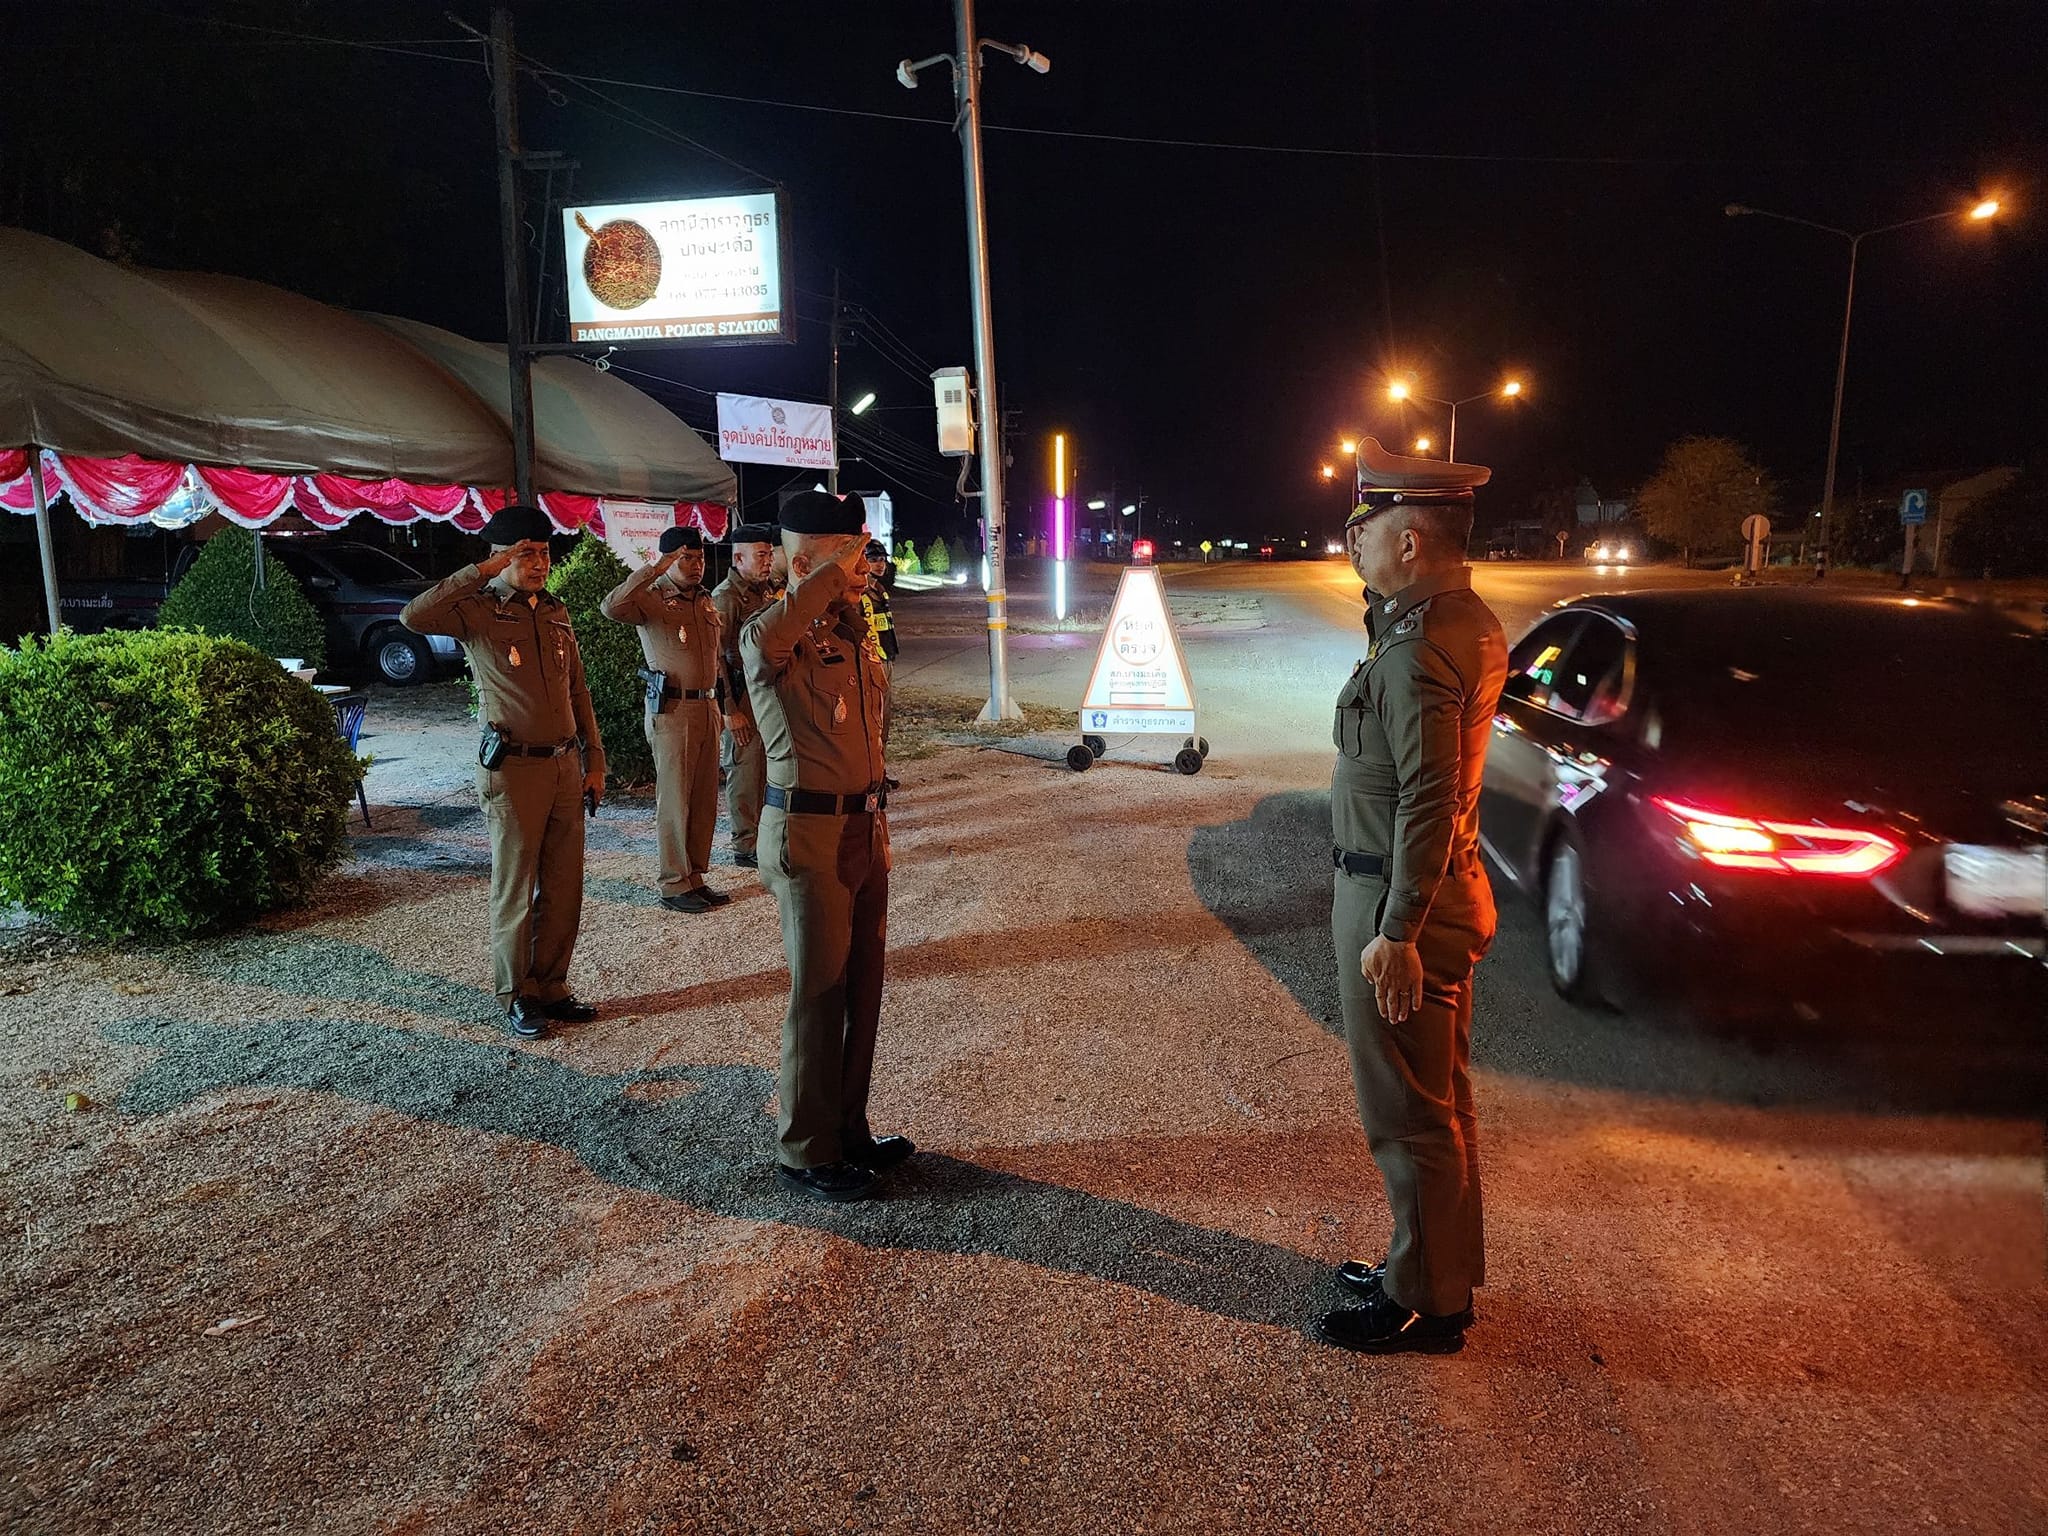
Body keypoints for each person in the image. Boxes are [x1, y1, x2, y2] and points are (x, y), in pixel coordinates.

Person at [1316, 438, 1508, 1355]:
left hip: (1399, 899)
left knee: (1406, 1113)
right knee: (1441, 1100)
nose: (1352, 538)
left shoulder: (1420, 644)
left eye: (1368, 524)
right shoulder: (1454, 619)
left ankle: (1425, 1300)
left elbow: (1429, 795)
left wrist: (1395, 931)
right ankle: (1438, 1270)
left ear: (1411, 540)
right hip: (1433, 890)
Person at [741, 491, 909, 1202]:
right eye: (848, 554)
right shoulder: (770, 634)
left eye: (862, 552)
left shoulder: (850, 628)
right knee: (818, 993)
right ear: (806, 564)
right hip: (807, 833)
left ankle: (848, 1129)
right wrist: (825, 576)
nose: (864, 565)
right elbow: (766, 641)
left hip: (862, 828)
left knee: (862, 988)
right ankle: (805, 1149)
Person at [401, 504, 606, 1040]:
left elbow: (578, 691)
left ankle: (552, 985)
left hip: (564, 765)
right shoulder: (477, 610)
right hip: (514, 769)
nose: (539, 563)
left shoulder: (555, 611)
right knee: (516, 886)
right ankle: (517, 993)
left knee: (563, 884)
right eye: (526, 554)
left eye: (544, 553)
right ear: (499, 557)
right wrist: (482, 572)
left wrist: (595, 759)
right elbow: (414, 617)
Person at [600, 525, 731, 914]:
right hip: (674, 711)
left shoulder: (704, 600)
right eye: (685, 558)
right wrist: (654, 570)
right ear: (668, 560)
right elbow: (611, 607)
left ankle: (695, 876)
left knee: (704, 798)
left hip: (707, 707)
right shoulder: (652, 599)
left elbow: (716, 660)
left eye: (699, 557)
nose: (695, 565)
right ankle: (673, 883)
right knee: (675, 800)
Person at [710, 523, 781, 870]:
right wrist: (728, 710)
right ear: (738, 558)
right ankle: (745, 843)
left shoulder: (765, 591)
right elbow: (716, 657)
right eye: (761, 555)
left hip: (765, 695)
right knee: (745, 769)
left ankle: (764, 838)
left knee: (767, 768)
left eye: (769, 554)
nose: (768, 561)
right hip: (741, 697)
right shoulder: (725, 597)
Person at [857, 538, 901, 776]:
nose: (880, 564)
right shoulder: (860, 594)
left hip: (886, 658)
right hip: (872, 662)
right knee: (873, 718)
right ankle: (870, 773)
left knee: (884, 718)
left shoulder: (879, 591)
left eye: (882, 559)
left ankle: (879, 771)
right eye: (873, 559)